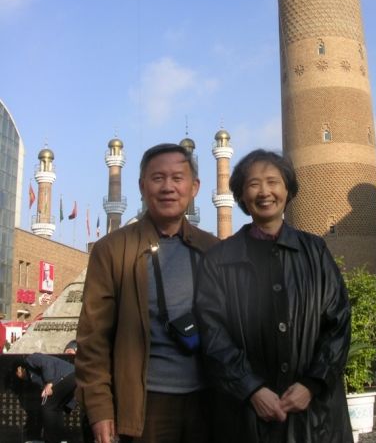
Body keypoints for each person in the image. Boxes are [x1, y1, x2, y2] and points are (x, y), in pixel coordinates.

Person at [195, 149, 353, 443]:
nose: (264, 192)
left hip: (313, 416)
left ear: (288, 189)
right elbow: (212, 333)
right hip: (245, 416)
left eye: (273, 182)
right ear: (241, 195)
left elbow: (338, 323)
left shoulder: (315, 251)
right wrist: (251, 388)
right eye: (254, 184)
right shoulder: (219, 259)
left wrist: (311, 383)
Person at [75, 143, 219, 443]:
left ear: (194, 187)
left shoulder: (213, 250)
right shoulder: (113, 250)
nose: (168, 187)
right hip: (144, 406)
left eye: (177, 178)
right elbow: (93, 338)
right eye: (158, 178)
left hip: (208, 402)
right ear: (142, 186)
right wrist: (100, 408)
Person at [9, 352, 76, 443]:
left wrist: (49, 383)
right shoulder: (32, 377)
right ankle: (57, 438)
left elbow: (47, 362)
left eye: (16, 375)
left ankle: (51, 440)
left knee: (47, 406)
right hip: (71, 378)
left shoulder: (31, 359)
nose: (19, 378)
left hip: (67, 375)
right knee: (56, 408)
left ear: (19, 369)